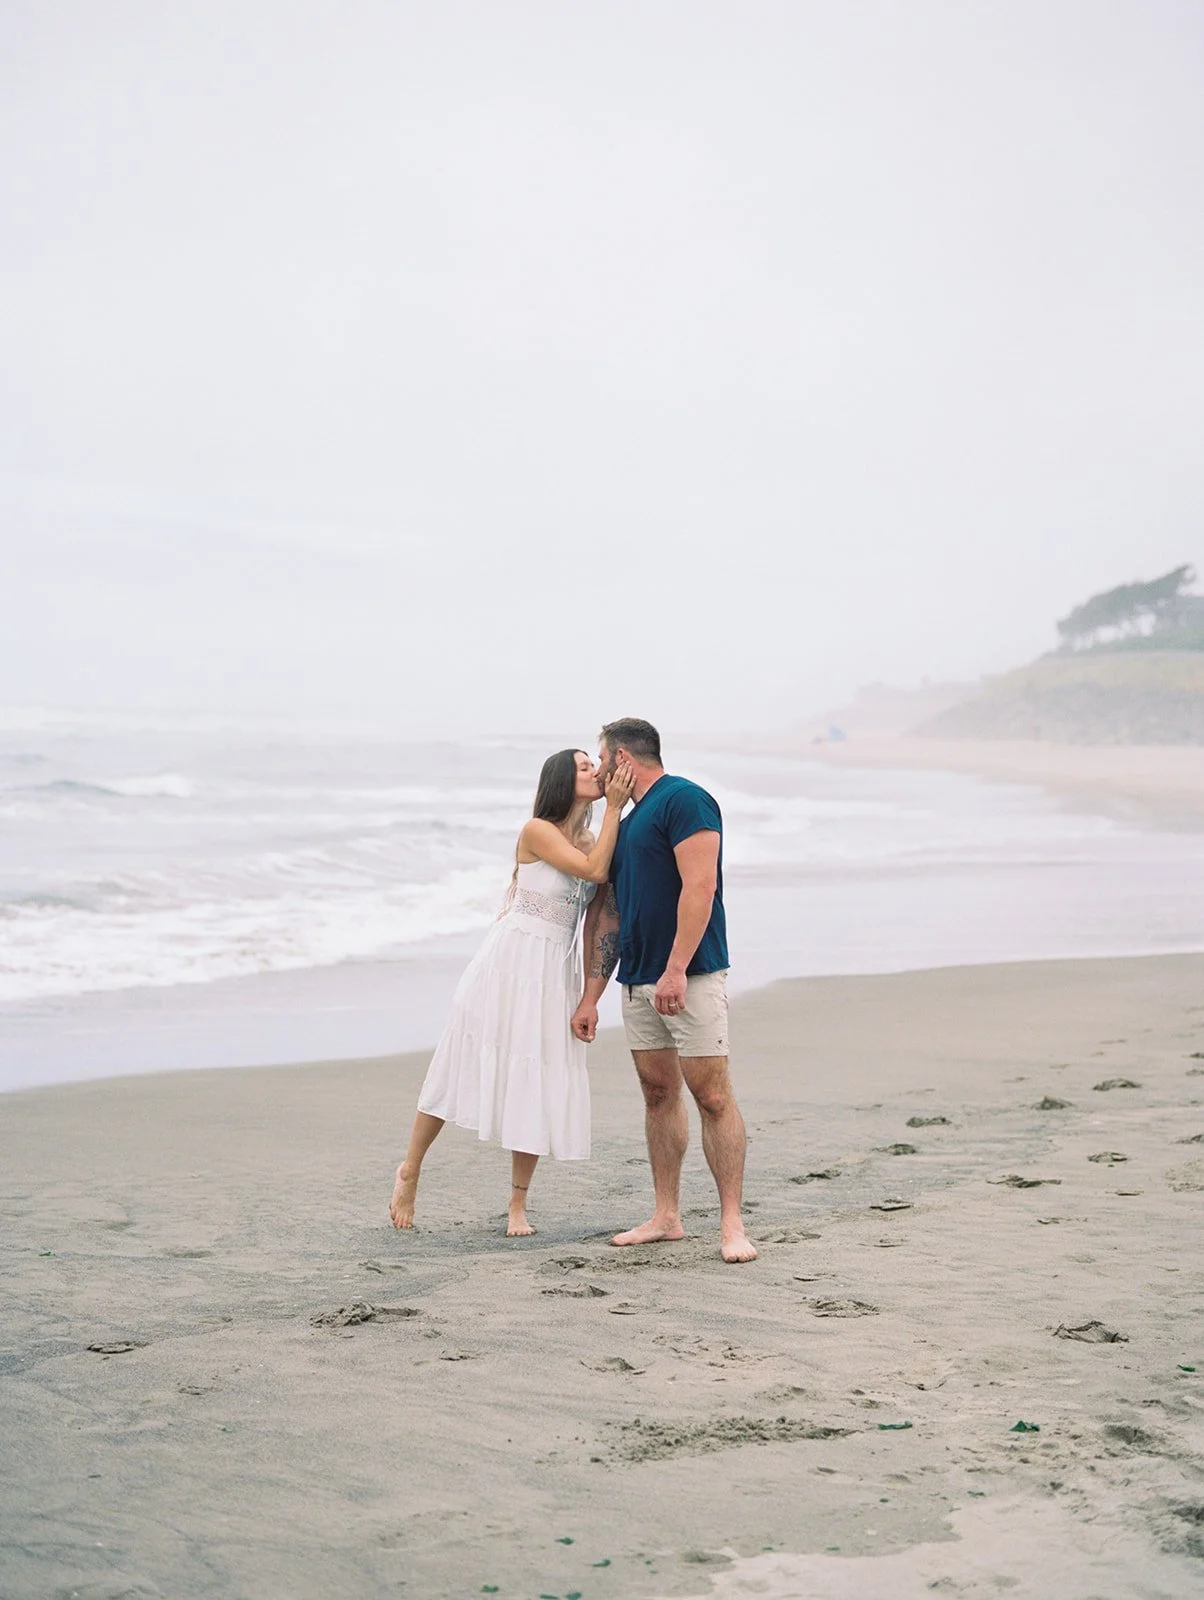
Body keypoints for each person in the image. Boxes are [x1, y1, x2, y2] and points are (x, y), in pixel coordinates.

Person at [389, 747, 635, 1235]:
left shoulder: (592, 836)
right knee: (458, 1063)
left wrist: (590, 992)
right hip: (509, 962)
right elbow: (593, 872)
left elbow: (598, 909)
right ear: (563, 780)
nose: (595, 771)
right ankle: (410, 1170)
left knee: (538, 1078)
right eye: (585, 767)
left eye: (595, 765)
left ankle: (517, 1205)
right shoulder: (537, 831)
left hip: (552, 971)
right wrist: (614, 809)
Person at [571, 718, 757, 1264]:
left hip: (692, 975)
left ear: (624, 759)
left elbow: (702, 886)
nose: (600, 772)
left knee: (712, 1094)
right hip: (637, 980)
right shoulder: (624, 827)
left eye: (603, 761)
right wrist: (591, 995)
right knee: (658, 1095)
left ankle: (731, 1223)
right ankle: (666, 1216)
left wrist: (676, 970)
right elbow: (610, 913)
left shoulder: (687, 800)